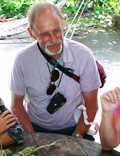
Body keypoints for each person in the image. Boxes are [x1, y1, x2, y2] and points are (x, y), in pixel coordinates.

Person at [9, 2, 101, 139]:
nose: (53, 39)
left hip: (75, 126)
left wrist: (77, 137)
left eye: (57, 31)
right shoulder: (23, 60)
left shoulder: (83, 55)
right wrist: (34, 138)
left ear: (63, 24)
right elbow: (16, 106)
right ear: (32, 33)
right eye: (45, 34)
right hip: (35, 127)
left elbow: (92, 105)